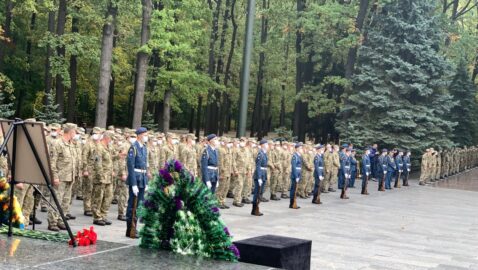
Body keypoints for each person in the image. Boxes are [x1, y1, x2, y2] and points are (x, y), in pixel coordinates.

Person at [47, 123, 78, 232]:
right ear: (70, 132)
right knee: (57, 199)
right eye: (74, 131)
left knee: (66, 201)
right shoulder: (57, 143)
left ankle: (61, 220)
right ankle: (52, 222)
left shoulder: (71, 144)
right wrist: (55, 177)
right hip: (60, 177)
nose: (75, 134)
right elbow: (52, 162)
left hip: (69, 177)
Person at [126, 127, 149, 238]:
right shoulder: (133, 148)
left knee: (139, 205)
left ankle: (135, 228)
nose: (146, 137)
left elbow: (145, 166)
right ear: (139, 135)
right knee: (132, 205)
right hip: (135, 179)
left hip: (142, 179)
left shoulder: (144, 147)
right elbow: (130, 167)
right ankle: (130, 229)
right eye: (145, 134)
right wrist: (133, 184)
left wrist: (146, 182)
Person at [91, 131, 115, 226]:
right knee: (98, 197)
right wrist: (100, 176)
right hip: (101, 177)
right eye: (111, 139)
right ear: (107, 138)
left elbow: (108, 161)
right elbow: (98, 163)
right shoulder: (98, 147)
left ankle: (103, 215)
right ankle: (97, 217)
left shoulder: (107, 148)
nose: (111, 141)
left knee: (108, 196)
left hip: (108, 177)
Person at [251, 139, 269, 216]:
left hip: (263, 174)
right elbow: (258, 166)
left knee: (260, 192)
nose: (267, 146)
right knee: (257, 192)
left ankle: (255, 209)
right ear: (262, 145)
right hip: (260, 174)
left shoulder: (264, 153)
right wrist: (258, 178)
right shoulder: (260, 154)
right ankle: (255, 209)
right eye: (266, 144)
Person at [289, 143, 303, 209]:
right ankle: (292, 204)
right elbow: (294, 167)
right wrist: (296, 176)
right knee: (293, 189)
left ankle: (293, 203)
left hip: (298, 173)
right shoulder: (295, 156)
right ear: (297, 149)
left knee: (295, 189)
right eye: (300, 148)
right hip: (295, 175)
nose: (301, 149)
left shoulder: (299, 156)